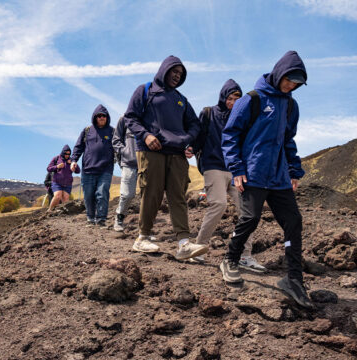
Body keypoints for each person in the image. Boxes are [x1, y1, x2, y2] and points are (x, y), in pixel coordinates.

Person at [220, 51, 313, 309]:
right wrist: (237, 168)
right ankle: (230, 259)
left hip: (280, 176)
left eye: (296, 83)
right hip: (253, 172)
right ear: (278, 73)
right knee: (250, 219)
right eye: (288, 80)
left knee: (293, 222)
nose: (291, 86)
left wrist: (294, 170)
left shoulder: (291, 105)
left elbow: (288, 140)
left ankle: (293, 278)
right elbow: (230, 135)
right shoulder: (252, 99)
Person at [124, 55, 208, 260]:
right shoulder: (145, 90)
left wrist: (187, 141)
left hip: (177, 155)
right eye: (174, 72)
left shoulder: (181, 99)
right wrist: (146, 135)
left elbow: (195, 124)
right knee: (151, 194)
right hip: (151, 151)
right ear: (164, 70)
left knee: (178, 197)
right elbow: (130, 117)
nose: (177, 77)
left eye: (180, 74)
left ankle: (184, 244)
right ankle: (142, 237)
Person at [191, 79, 266, 272]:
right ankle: (198, 249)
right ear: (223, 97)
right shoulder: (210, 113)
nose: (233, 102)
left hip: (236, 170)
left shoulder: (242, 118)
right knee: (218, 204)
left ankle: (245, 256)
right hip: (213, 166)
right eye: (230, 98)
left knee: (246, 212)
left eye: (237, 99)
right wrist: (191, 148)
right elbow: (199, 136)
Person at [71, 105, 114, 226]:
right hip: (88, 169)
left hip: (105, 169)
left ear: (107, 117)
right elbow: (79, 147)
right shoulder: (87, 131)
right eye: (99, 115)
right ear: (94, 117)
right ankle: (90, 217)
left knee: (102, 193)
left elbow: (119, 147)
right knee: (89, 195)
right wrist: (74, 160)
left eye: (103, 115)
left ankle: (101, 219)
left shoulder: (112, 131)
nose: (101, 117)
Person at [112, 115, 138, 231]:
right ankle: (119, 217)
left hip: (148, 163)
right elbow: (116, 140)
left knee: (149, 196)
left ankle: (145, 227)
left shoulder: (150, 117)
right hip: (129, 163)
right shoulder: (124, 119)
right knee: (127, 194)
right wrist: (125, 151)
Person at [46, 145, 79, 211]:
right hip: (57, 182)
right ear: (63, 153)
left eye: (69, 154)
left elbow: (78, 171)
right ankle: (49, 211)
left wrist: (74, 166)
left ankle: (63, 214)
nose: (67, 155)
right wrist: (57, 166)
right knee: (58, 196)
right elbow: (48, 168)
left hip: (68, 184)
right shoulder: (56, 158)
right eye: (66, 154)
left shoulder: (72, 160)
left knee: (65, 199)